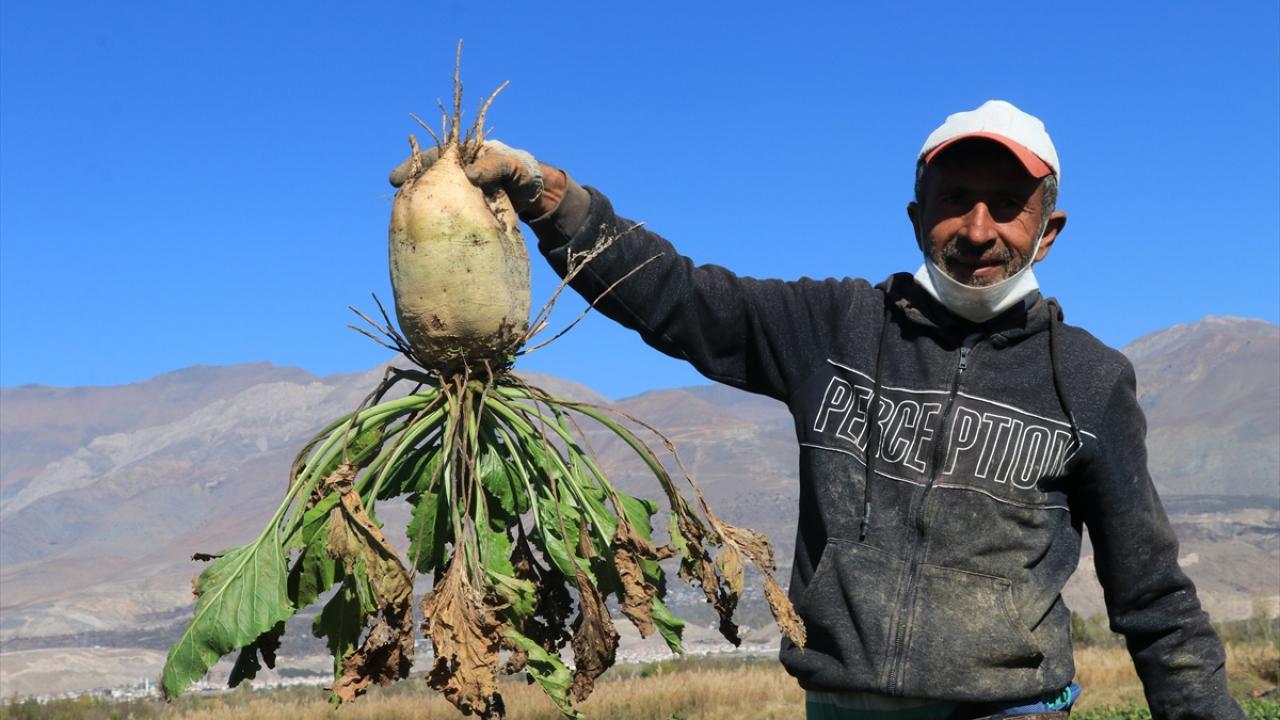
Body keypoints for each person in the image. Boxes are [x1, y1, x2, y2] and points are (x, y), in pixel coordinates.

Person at [390, 100, 1243, 719]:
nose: (979, 229)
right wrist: (547, 195)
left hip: (1011, 710)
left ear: (1048, 229)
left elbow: (1153, 595)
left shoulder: (1089, 379)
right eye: (954, 199)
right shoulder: (833, 327)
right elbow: (679, 298)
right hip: (846, 713)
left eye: (1007, 206)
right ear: (917, 217)